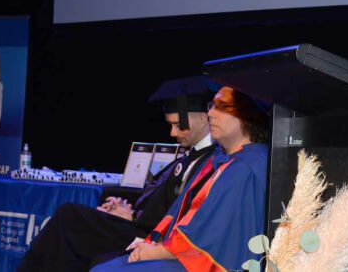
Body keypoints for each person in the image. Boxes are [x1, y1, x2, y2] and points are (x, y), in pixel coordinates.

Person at [17, 77, 218, 272]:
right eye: (171, 125)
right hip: (142, 224)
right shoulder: (189, 157)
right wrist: (124, 208)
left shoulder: (211, 162)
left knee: (69, 217)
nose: (172, 133)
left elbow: (181, 210)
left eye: (178, 125)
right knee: (69, 233)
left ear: (203, 118)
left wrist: (132, 216)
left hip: (154, 236)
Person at [91, 86, 269, 272]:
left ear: (247, 115)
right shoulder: (225, 161)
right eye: (212, 106)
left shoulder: (247, 167)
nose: (210, 113)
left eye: (222, 107)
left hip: (211, 262)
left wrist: (157, 251)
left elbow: (212, 236)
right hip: (188, 253)